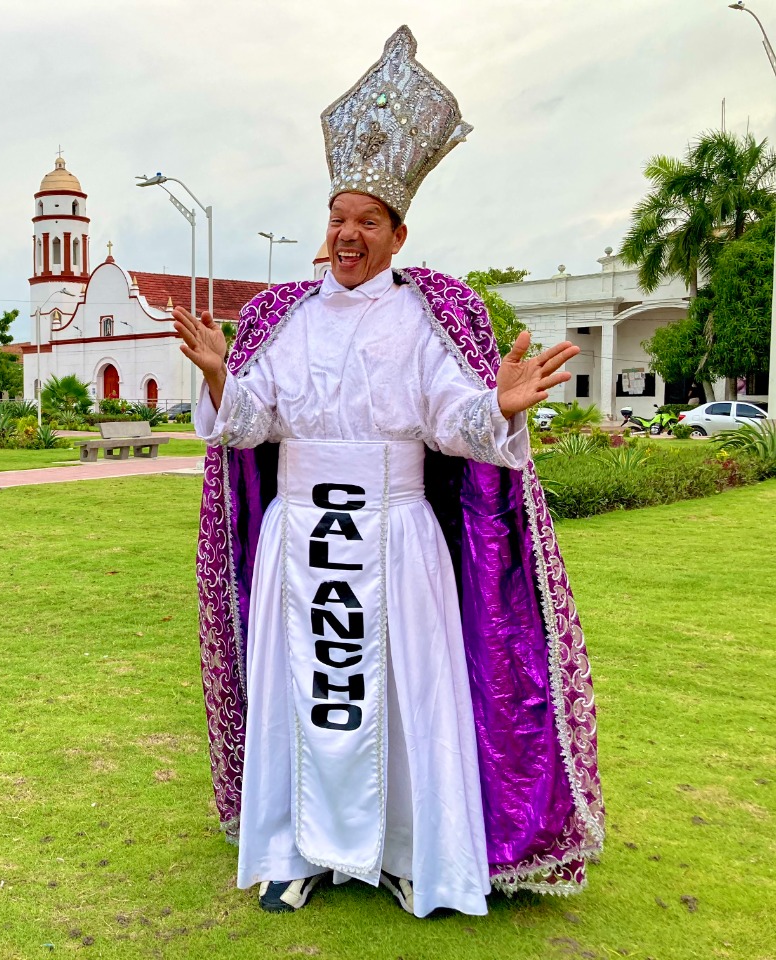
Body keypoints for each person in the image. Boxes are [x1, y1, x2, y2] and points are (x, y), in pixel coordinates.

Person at [178, 25, 604, 919]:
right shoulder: (284, 318)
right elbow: (253, 423)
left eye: (367, 221)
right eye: (337, 219)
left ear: (398, 232)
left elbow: (453, 421)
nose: (346, 234)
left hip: (395, 540)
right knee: (302, 690)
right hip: (304, 542)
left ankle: (410, 849)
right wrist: (223, 375)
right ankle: (298, 851)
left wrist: (502, 405)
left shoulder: (425, 319)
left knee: (407, 697)